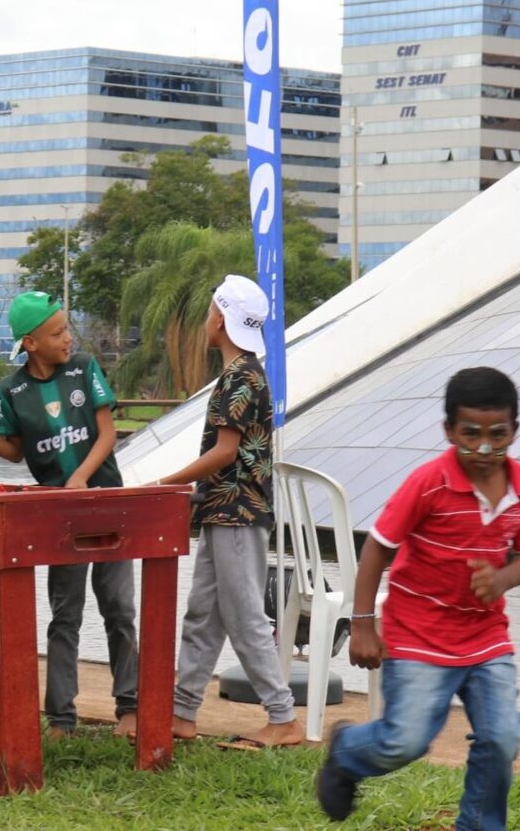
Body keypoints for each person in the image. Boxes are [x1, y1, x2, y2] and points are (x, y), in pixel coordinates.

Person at [316, 367, 520, 830]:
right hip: (419, 635)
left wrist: (502, 580)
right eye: (470, 434)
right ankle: (347, 752)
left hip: (486, 639)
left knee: (502, 737)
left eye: (497, 435)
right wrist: (363, 623)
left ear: (514, 431)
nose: (484, 448)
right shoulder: (428, 483)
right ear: (448, 431)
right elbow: (378, 546)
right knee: (406, 741)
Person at [0, 290, 138, 740]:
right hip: (58, 516)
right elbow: (15, 451)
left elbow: (107, 434)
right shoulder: (10, 390)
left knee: (118, 606)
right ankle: (61, 718)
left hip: (104, 502)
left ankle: (130, 707)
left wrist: (80, 479)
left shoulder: (84, 370)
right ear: (31, 343)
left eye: (66, 329)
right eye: (57, 333)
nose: (67, 339)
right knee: (65, 613)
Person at [159, 275, 304, 749]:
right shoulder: (243, 373)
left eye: (207, 312)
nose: (205, 320)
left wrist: (165, 483)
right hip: (224, 512)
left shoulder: (240, 377)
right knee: (203, 613)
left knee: (243, 614)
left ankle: (283, 718)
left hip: (238, 511)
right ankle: (182, 712)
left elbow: (225, 451)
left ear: (219, 320)